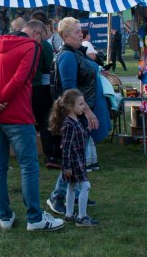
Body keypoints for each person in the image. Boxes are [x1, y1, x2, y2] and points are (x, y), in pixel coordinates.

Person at [0, 18, 64, 232]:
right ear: (36, 34)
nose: (42, 43)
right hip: (17, 116)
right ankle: (34, 218)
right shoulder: (31, 46)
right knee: (28, 166)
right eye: (42, 38)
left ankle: (4, 217)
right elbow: (20, 79)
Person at [47, 17, 110, 216]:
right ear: (65, 36)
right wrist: (86, 111)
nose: (80, 34)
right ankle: (58, 196)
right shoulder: (67, 56)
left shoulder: (76, 52)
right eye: (76, 31)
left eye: (81, 30)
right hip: (76, 115)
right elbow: (69, 90)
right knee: (73, 156)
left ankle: (74, 194)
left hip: (82, 111)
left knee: (78, 156)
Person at [49, 89, 99, 227]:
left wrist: (88, 129)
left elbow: (82, 139)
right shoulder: (69, 125)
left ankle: (69, 214)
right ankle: (82, 217)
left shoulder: (76, 121)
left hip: (78, 161)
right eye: (81, 104)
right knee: (85, 186)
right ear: (70, 107)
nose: (84, 107)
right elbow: (66, 147)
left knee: (71, 187)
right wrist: (66, 167)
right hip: (74, 163)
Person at [30, 17, 58, 170]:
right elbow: (49, 66)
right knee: (45, 120)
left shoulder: (24, 44)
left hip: (27, 88)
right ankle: (51, 155)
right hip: (41, 88)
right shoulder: (44, 45)